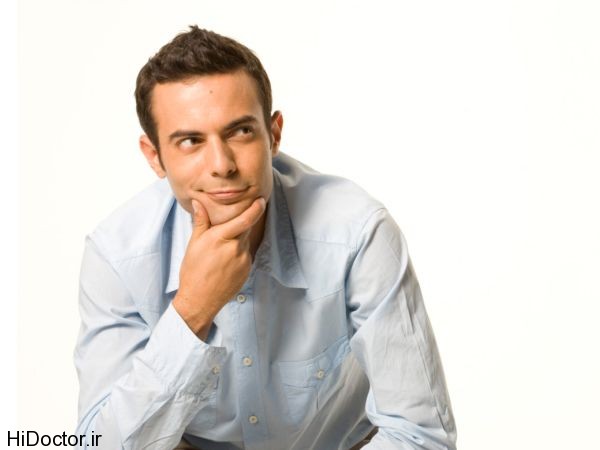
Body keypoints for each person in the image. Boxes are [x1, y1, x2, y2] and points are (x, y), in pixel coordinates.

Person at [74, 25, 457, 450]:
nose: (222, 165)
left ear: (273, 134)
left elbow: (421, 435)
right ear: (155, 156)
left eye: (240, 132)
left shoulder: (356, 233)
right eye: (190, 141)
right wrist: (191, 312)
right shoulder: (117, 256)